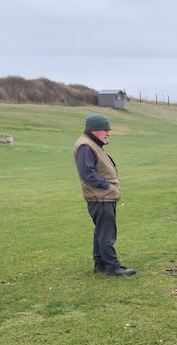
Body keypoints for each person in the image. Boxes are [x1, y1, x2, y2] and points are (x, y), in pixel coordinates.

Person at [73, 113, 136, 276]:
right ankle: (112, 267)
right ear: (94, 130)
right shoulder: (86, 145)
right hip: (100, 197)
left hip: (103, 196)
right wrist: (107, 185)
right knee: (107, 233)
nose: (108, 133)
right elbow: (87, 172)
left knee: (101, 231)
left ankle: (100, 264)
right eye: (105, 130)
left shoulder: (91, 144)